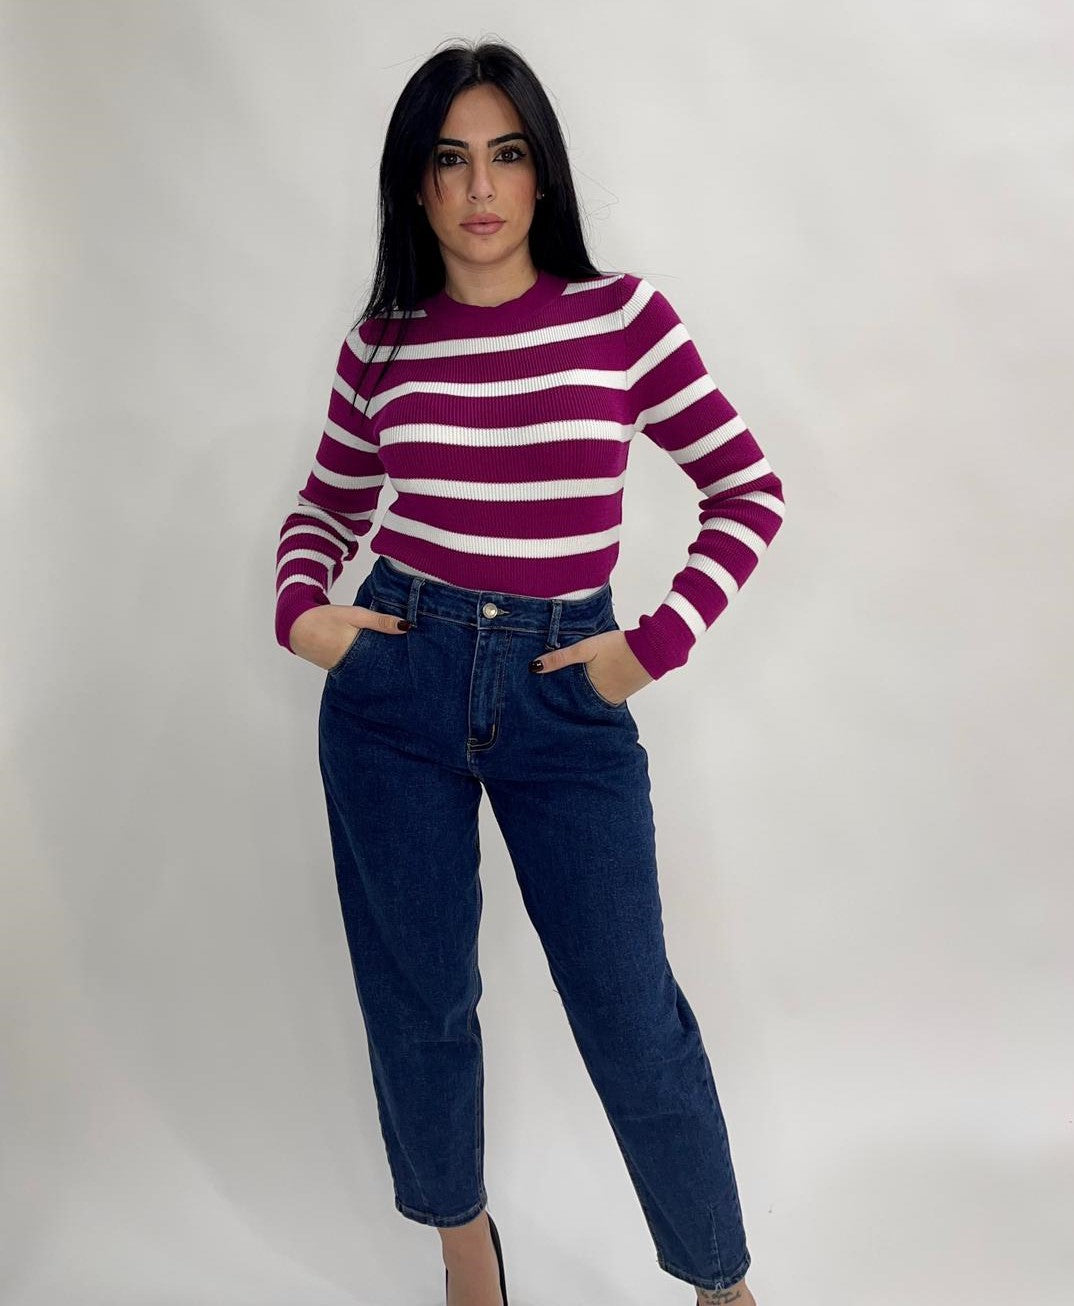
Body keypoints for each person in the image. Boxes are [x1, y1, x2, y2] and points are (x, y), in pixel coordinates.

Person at [274, 38, 784, 1306]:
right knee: (421, 1001)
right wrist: (307, 617)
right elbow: (325, 507)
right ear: (416, 185)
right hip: (398, 691)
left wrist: (649, 647)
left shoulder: (622, 319)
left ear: (542, 174)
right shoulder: (382, 343)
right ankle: (466, 1251)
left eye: (505, 155)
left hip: (566, 690)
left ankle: (719, 1282)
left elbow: (748, 490)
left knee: (631, 1013)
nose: (480, 187)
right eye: (450, 161)